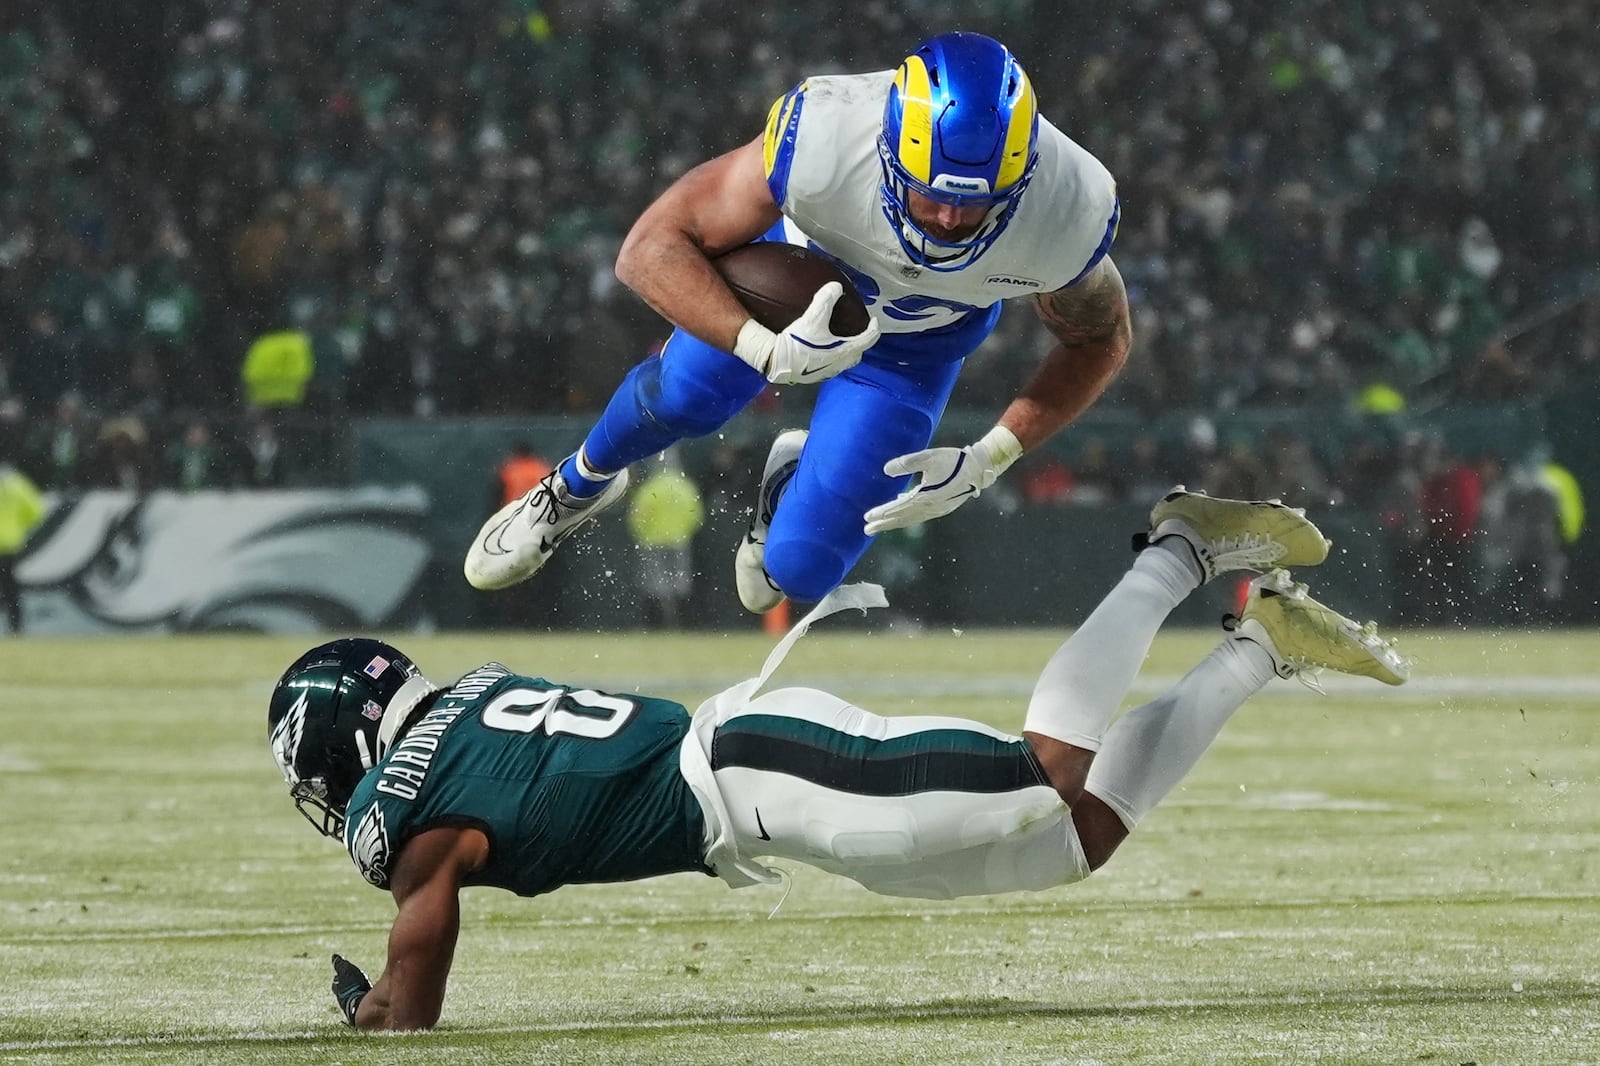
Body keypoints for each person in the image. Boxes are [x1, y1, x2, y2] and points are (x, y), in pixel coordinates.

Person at [273, 489, 1409, 1030]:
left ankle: (1179, 547)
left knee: (1044, 768)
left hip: (762, 769)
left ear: (338, 741)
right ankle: (1264, 645)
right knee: (1066, 842)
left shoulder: (401, 796)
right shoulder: (468, 698)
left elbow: (414, 982)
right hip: (763, 793)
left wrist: (375, 1011)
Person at [464, 32, 1130, 615]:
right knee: (685, 394)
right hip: (785, 303)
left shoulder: (1071, 207)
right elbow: (650, 248)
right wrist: (760, 347)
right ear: (892, 149)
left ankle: (784, 486)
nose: (951, 220)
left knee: (799, 571)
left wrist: (992, 455)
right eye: (933, 194)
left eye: (976, 204)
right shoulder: (822, 134)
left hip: (912, 355)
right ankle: (575, 485)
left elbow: (1101, 339)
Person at [0, 453, 46, 635]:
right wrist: (19, 526)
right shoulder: (17, 484)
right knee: (10, 588)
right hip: (10, 543)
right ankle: (16, 628)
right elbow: (36, 511)